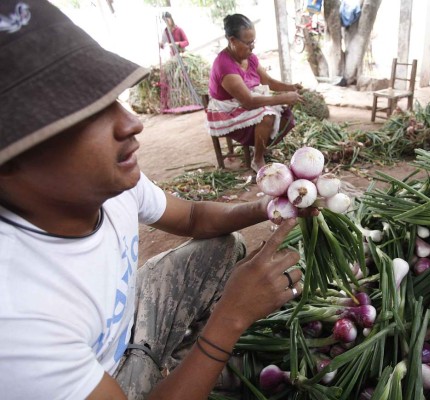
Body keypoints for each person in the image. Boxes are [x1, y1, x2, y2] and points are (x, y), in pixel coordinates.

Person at [0, 2, 315, 399]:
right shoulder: (15, 318)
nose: (132, 123)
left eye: (114, 98)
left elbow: (195, 217)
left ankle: (168, 359)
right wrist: (230, 318)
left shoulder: (111, 185)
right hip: (108, 379)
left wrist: (270, 206)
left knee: (221, 247)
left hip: (128, 326)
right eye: (86, 114)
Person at [206, 14, 303, 173]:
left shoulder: (249, 57)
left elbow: (268, 82)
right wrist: (283, 97)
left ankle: (261, 146)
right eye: (248, 43)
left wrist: (291, 87)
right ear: (232, 40)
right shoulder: (224, 65)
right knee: (267, 115)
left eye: (253, 42)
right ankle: (257, 159)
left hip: (246, 101)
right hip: (227, 111)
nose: (252, 47)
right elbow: (248, 102)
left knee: (286, 114)